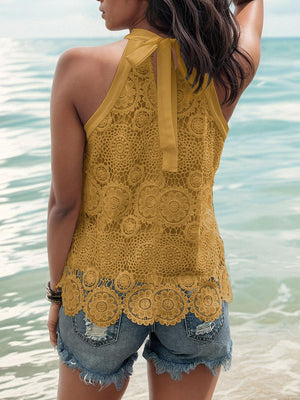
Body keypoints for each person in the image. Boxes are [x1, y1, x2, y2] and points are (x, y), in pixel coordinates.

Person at [46, 0, 263, 399]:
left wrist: (57, 294)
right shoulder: (228, 70)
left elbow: (64, 205)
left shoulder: (77, 69)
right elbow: (250, 10)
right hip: (196, 289)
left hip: (100, 294)